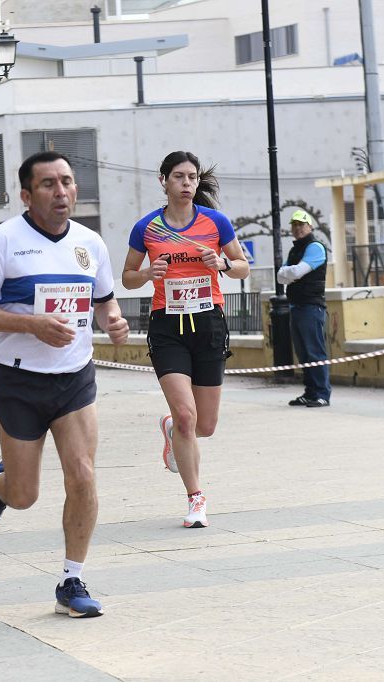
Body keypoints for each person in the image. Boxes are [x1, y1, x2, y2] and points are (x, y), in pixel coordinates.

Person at [0, 151, 129, 618]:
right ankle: (0, 487)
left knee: (84, 474)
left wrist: (114, 322)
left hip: (74, 378)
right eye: (49, 184)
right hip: (19, 381)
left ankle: (71, 581)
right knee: (24, 496)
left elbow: (105, 301)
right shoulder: (4, 241)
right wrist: (31, 324)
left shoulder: (90, 243)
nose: (61, 192)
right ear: (26, 195)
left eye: (67, 182)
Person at [122, 150, 249, 529]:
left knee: (204, 426)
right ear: (163, 181)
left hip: (208, 324)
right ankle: (196, 498)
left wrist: (222, 263)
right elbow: (127, 276)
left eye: (192, 177)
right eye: (179, 177)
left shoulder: (216, 222)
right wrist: (148, 273)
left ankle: (171, 428)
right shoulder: (146, 227)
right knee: (186, 415)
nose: (187, 183)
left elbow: (243, 267)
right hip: (168, 327)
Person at [277, 209, 331, 407]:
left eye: (301, 224)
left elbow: (297, 272)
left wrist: (290, 273)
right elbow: (280, 276)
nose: (297, 228)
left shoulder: (315, 247)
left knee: (314, 351)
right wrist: (290, 273)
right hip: (297, 306)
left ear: (310, 226)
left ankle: (322, 394)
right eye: (294, 225)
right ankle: (310, 393)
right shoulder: (295, 250)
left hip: (311, 306)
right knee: (304, 353)